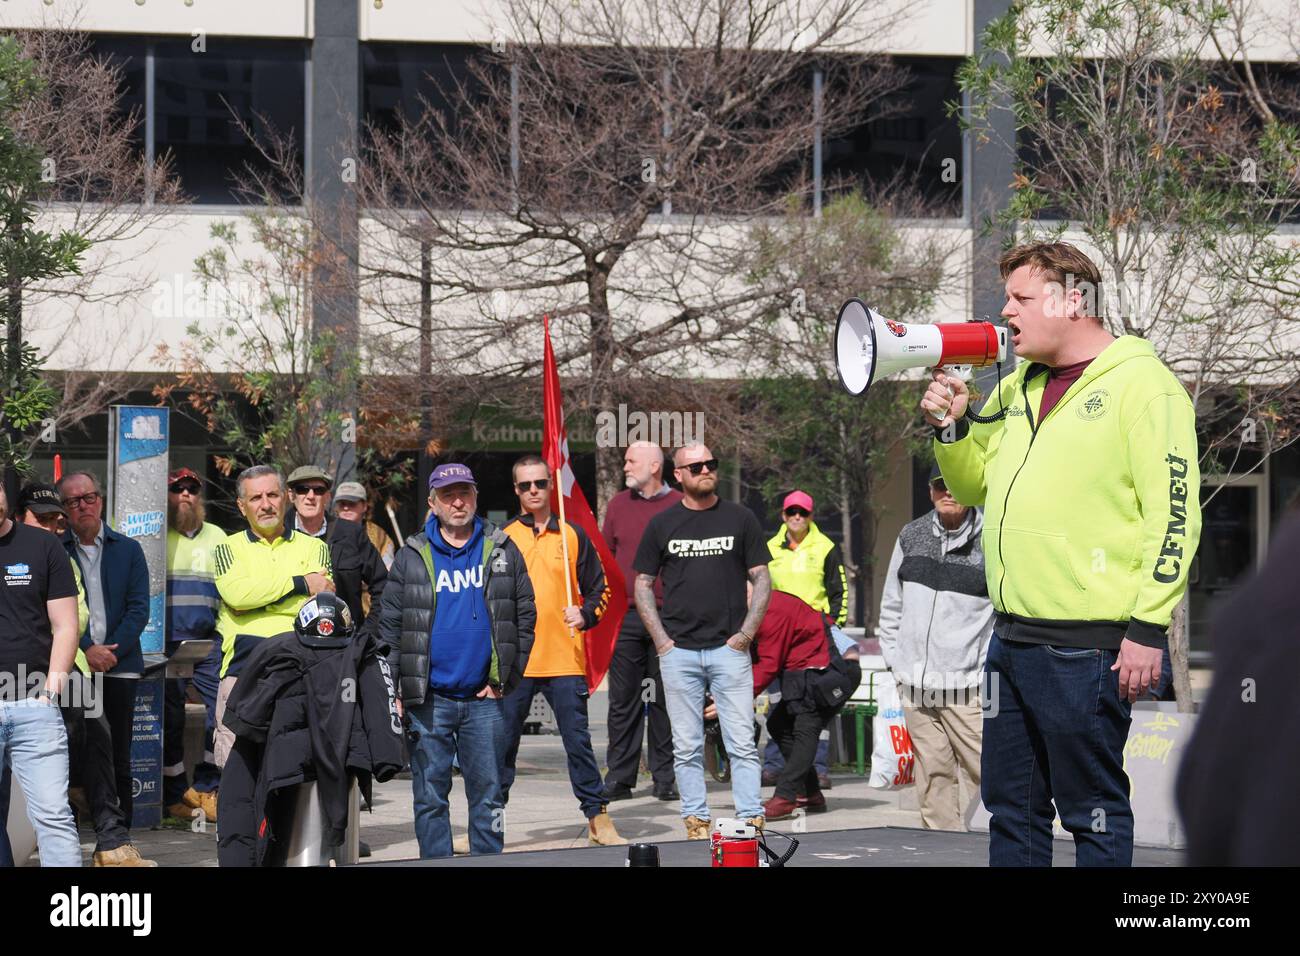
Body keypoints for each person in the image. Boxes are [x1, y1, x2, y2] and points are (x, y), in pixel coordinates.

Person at [923, 241, 1202, 866]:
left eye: (1020, 298)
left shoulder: (1145, 387)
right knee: (1010, 811)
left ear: (1073, 300)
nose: (1006, 312)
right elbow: (970, 488)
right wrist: (951, 428)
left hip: (1090, 646)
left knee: (1092, 814)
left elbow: (1176, 518)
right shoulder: (1017, 384)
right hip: (1012, 637)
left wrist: (1147, 628)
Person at [378, 462, 535, 859]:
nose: (458, 501)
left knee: (489, 795)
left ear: (476, 497)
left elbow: (525, 614)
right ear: (433, 503)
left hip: (485, 700)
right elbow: (391, 628)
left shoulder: (501, 547)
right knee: (430, 796)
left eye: (465, 492)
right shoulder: (412, 556)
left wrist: (506, 678)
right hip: (429, 700)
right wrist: (395, 686)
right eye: (448, 495)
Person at [8, 483, 155, 867]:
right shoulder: (41, 549)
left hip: (64, 667)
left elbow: (79, 616)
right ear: (19, 515)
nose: (53, 526)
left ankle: (111, 839)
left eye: (57, 520)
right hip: (41, 666)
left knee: (99, 738)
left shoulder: (57, 552)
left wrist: (84, 655)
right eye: (42, 519)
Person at [633, 442, 772, 839]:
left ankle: (750, 818)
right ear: (677, 475)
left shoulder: (739, 518)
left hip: (729, 650)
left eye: (711, 463)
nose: (705, 470)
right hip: (679, 652)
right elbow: (642, 583)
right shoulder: (662, 524)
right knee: (687, 745)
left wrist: (745, 635)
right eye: (695, 466)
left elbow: (762, 578)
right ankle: (696, 819)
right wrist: (661, 640)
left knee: (741, 741)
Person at [500, 455, 623, 846]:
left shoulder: (573, 535)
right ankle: (487, 823)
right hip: (516, 662)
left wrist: (586, 614)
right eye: (525, 485)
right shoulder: (501, 538)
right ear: (516, 490)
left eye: (540, 483)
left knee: (578, 744)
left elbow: (602, 590)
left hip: (564, 659)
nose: (533, 490)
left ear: (551, 486)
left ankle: (598, 821)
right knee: (500, 747)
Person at [875, 464, 994, 831]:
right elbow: (892, 606)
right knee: (933, 777)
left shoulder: (992, 539)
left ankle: (984, 851)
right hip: (915, 688)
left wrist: (987, 673)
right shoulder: (911, 535)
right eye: (940, 485)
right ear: (930, 491)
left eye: (956, 483)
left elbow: (1001, 614)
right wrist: (898, 666)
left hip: (970, 689)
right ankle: (941, 852)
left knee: (982, 775)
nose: (948, 492)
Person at [212, 465, 334, 769]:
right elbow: (238, 596)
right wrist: (300, 583)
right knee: (236, 775)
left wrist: (259, 600)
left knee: (294, 774)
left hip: (301, 670)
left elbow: (320, 606)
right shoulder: (227, 547)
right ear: (242, 506)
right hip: (243, 670)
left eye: (272, 495)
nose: (265, 504)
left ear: (286, 498)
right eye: (255, 498)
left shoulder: (316, 546)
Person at [58, 470, 150, 828]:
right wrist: (85, 649)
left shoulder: (128, 549)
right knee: (77, 747)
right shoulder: (57, 550)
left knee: (119, 752)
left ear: (101, 500)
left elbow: (139, 607)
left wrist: (110, 651)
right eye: (73, 501)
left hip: (120, 664)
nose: (83, 506)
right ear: (64, 510)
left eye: (89, 497)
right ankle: (81, 824)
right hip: (75, 665)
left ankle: (120, 831)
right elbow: (55, 612)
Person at [0, 483, 83, 867]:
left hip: (35, 704)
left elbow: (66, 625)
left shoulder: (42, 546)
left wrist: (51, 693)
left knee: (53, 817)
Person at [600, 441, 681, 802]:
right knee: (624, 700)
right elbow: (606, 558)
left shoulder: (680, 505)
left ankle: (665, 777)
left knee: (666, 700)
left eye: (631, 461)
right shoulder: (617, 505)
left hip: (670, 616)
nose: (625, 466)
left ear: (654, 466)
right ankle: (620, 777)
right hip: (628, 617)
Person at [763, 489, 848, 790]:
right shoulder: (769, 547)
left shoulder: (824, 546)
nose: (797, 517)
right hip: (777, 639)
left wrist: (832, 630)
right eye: (791, 512)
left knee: (813, 709)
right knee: (778, 706)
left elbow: (839, 592)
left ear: (811, 516)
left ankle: (818, 768)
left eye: (803, 512)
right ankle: (774, 765)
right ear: (783, 516)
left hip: (812, 642)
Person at [750, 590, 860, 820]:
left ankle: (785, 796)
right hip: (808, 669)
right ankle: (810, 793)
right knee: (780, 724)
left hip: (833, 670)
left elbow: (768, 664)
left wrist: (737, 697)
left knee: (805, 728)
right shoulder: (758, 606)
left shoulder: (771, 609)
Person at [163, 467, 226, 824]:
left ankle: (208, 785)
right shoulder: (157, 536)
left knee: (220, 714)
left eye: (191, 488)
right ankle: (174, 796)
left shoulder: (218, 537)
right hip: (168, 644)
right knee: (169, 719)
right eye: (177, 489)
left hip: (206, 643)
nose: (185, 494)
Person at [284, 466, 387, 635]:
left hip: (345, 644)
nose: (310, 496)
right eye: (302, 490)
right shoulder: (277, 534)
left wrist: (366, 635)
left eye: (318, 490)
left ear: (327, 496)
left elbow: (383, 586)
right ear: (291, 496)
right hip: (289, 642)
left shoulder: (351, 533)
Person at [333, 481, 396, 571]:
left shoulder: (379, 536)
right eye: (342, 504)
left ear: (364, 506)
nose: (346, 508)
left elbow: (388, 571)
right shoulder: (326, 531)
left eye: (352, 503)